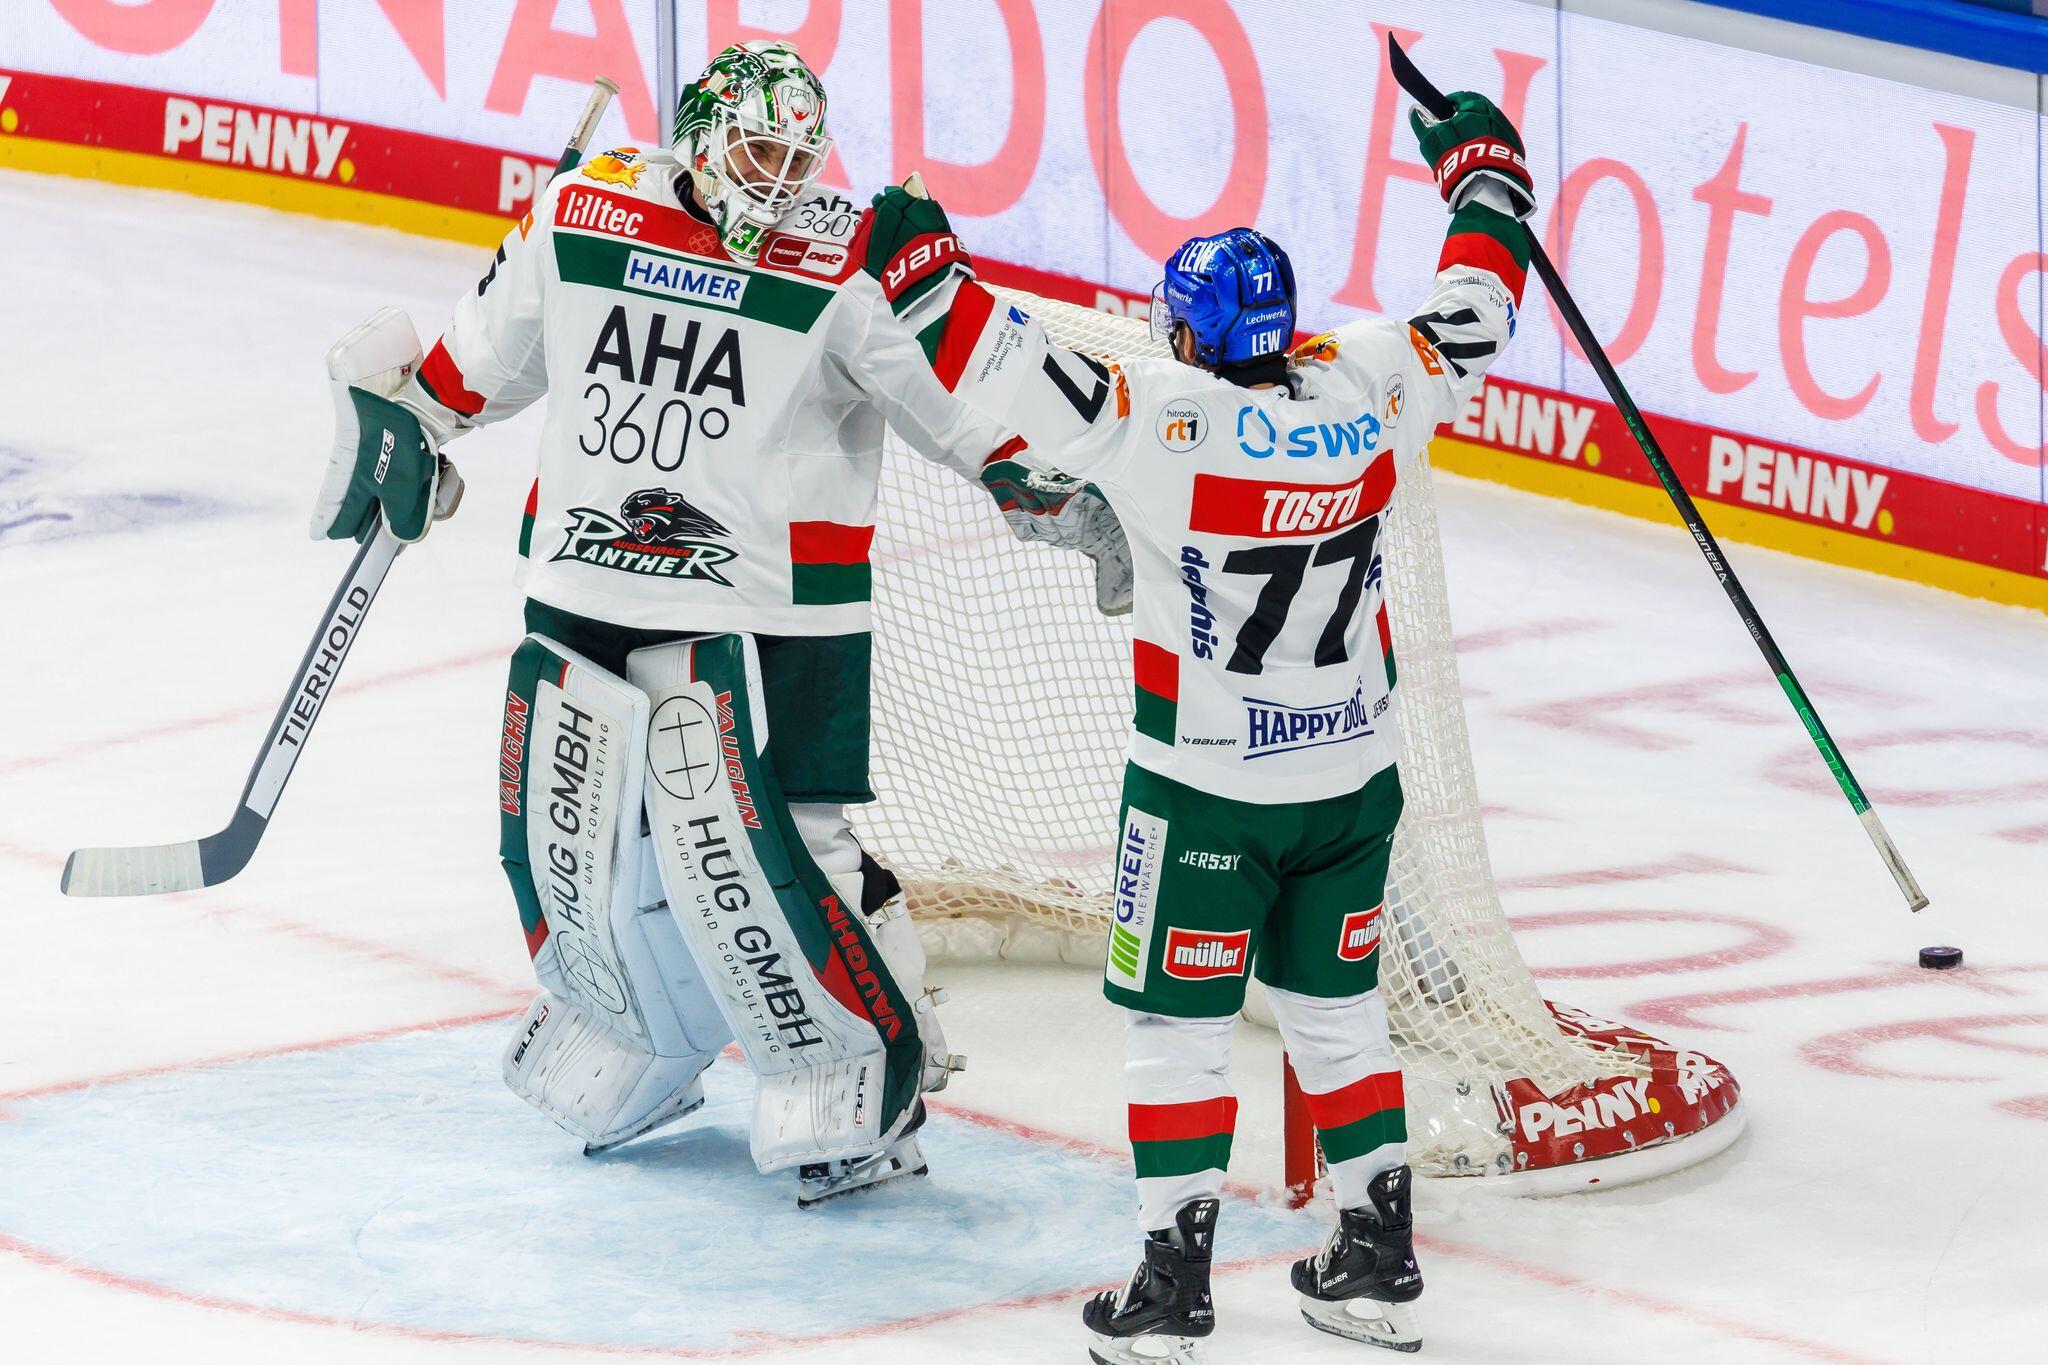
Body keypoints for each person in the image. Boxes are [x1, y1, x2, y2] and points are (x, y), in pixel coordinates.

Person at [308, 40, 1011, 1206]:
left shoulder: (843, 259)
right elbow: (478, 370)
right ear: (699, 138)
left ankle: (870, 1068)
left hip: (778, 609)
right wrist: (412, 424)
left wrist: (1044, 480)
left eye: (796, 160)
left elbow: (959, 413)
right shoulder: (578, 214)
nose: (776, 181)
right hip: (587, 587)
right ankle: (638, 1036)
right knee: (576, 844)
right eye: (755, 151)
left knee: (783, 857)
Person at [892, 91, 1536, 1356]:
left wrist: (911, 247)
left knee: (1176, 1031)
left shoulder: (1158, 422)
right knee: (1335, 1013)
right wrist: (1483, 174)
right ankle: (1375, 1259)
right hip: (1351, 785)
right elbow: (1479, 303)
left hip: (1204, 794)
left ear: (1188, 331)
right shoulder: (1371, 379)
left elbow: (979, 348)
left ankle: (1170, 1287)